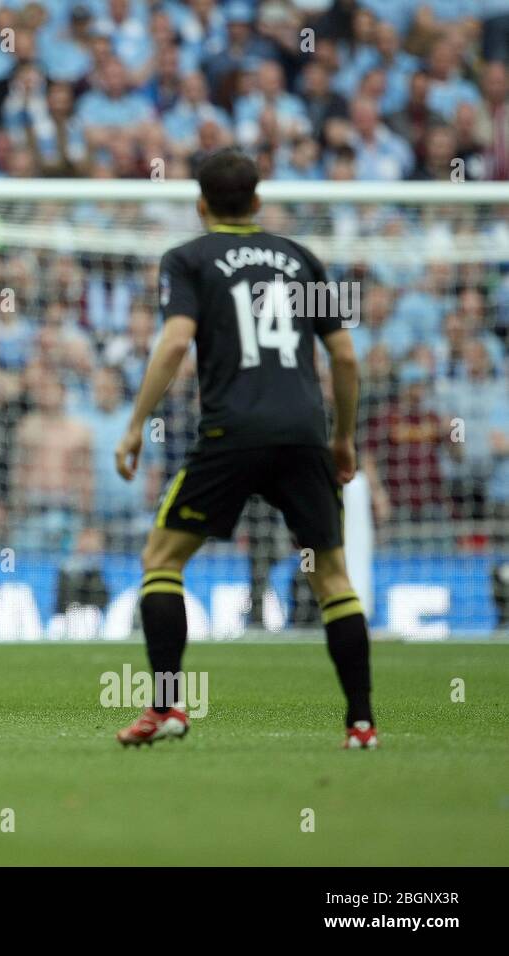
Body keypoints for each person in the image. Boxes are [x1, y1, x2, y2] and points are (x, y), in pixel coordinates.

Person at [113, 149, 377, 750]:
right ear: (258, 202)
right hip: (305, 432)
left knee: (162, 560)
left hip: (231, 432)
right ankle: (361, 724)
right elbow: (344, 355)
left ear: (201, 204)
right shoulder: (303, 259)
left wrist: (136, 424)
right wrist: (342, 436)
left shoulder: (189, 259)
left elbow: (177, 342)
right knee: (333, 579)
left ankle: (166, 708)